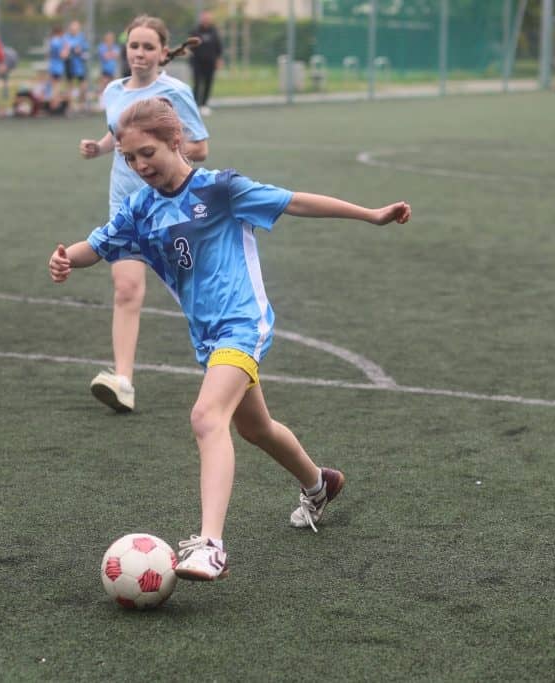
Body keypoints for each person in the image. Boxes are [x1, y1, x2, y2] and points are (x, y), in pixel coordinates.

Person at [50, 97, 412, 580]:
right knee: (255, 428)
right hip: (208, 336)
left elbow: (295, 201)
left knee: (206, 417)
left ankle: (211, 545)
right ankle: (319, 483)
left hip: (243, 324)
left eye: (147, 153)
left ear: (175, 141)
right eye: (129, 158)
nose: (139, 166)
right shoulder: (140, 208)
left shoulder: (220, 189)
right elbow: (97, 245)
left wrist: (371, 214)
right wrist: (67, 259)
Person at [78, 14, 209, 413]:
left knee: (196, 292)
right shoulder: (113, 91)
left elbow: (200, 148)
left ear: (162, 52)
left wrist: (161, 154)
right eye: (134, 45)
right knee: (126, 289)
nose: (139, 53)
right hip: (126, 207)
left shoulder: (175, 93)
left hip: (170, 205)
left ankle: (228, 364)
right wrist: (100, 147)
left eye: (148, 46)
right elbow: (118, 133)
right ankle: (123, 382)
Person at [189, 10, 223, 115]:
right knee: (197, 83)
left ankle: (204, 105)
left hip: (210, 62)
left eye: (208, 18)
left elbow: (218, 46)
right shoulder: (195, 31)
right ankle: (195, 105)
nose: (206, 19)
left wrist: (218, 60)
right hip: (197, 62)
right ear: (201, 18)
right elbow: (190, 46)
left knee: (208, 83)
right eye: (204, 17)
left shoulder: (214, 31)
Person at [64, 20, 89, 113]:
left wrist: (80, 50)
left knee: (83, 86)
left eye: (76, 27)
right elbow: (67, 48)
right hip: (70, 65)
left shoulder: (82, 37)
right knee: (70, 86)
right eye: (72, 27)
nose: (74, 29)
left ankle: (82, 105)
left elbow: (85, 48)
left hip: (80, 66)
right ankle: (70, 107)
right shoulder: (66, 37)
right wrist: (73, 49)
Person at [46, 25, 68, 113]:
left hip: (54, 66)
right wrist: (67, 48)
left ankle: (53, 105)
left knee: (54, 86)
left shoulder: (53, 41)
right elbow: (63, 55)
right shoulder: (56, 42)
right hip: (57, 67)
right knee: (56, 87)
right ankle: (54, 106)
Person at [95, 31, 118, 107]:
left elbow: (116, 55)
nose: (110, 40)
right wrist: (111, 53)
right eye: (109, 38)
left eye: (111, 38)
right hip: (105, 70)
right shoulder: (102, 47)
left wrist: (110, 54)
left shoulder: (115, 46)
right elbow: (105, 56)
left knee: (113, 87)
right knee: (103, 86)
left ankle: (111, 102)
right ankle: (101, 103)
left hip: (113, 70)